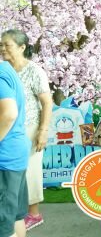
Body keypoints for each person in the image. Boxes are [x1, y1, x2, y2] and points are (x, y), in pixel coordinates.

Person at [0, 30, 52, 231]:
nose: (3, 49)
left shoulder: (34, 71)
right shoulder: (7, 70)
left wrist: (43, 130)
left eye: (7, 45)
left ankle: (34, 213)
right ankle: (20, 216)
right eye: (1, 45)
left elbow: (47, 102)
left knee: (30, 172)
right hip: (12, 128)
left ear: (22, 47)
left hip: (29, 127)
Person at [0, 60, 31, 237]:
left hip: (4, 158)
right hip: (16, 154)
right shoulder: (7, 70)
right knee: (15, 216)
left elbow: (9, 114)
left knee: (3, 225)